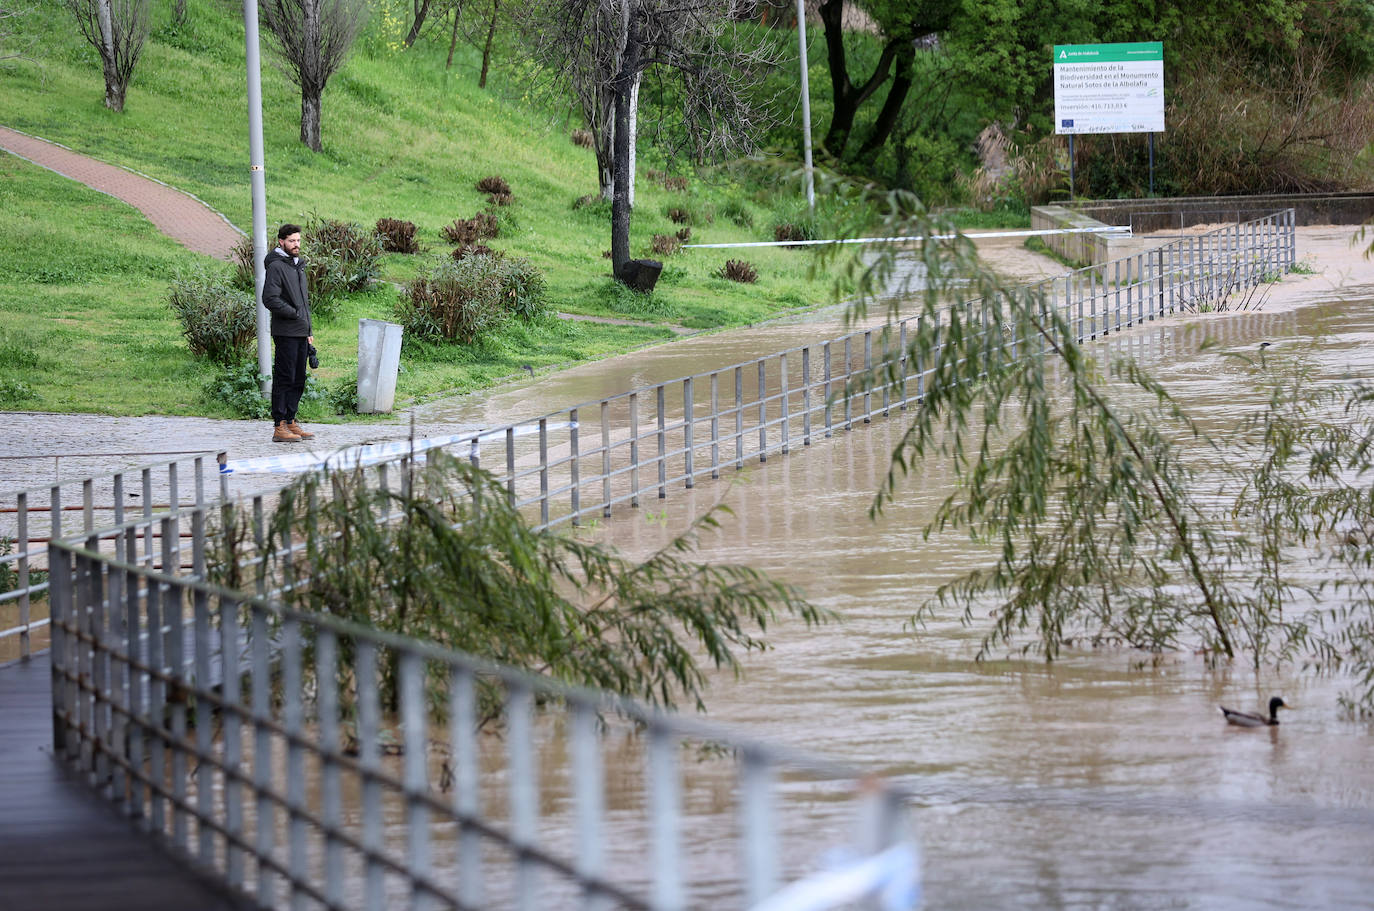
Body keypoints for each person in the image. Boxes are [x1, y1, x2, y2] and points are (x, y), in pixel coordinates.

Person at [262, 223, 315, 442]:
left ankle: (291, 420)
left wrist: (308, 329)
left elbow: (304, 301)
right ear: (281, 241)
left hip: (301, 331)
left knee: (298, 378)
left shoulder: (297, 265)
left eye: (298, 240)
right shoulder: (276, 266)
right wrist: (294, 314)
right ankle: (279, 426)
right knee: (285, 378)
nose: (296, 245)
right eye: (292, 241)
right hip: (285, 332)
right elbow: (270, 299)